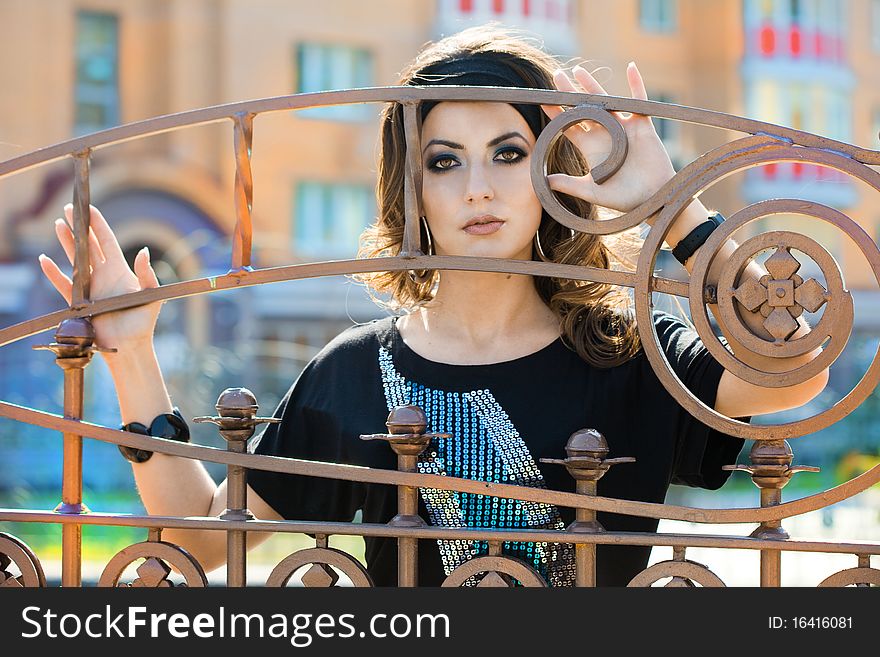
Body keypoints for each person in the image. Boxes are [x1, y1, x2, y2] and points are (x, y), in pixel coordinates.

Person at [38, 25, 828, 587]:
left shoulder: (628, 350)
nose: (477, 186)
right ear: (410, 190)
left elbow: (791, 368)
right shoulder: (353, 371)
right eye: (444, 161)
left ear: (556, 172)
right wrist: (133, 355)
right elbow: (200, 540)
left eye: (508, 154)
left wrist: (672, 209)